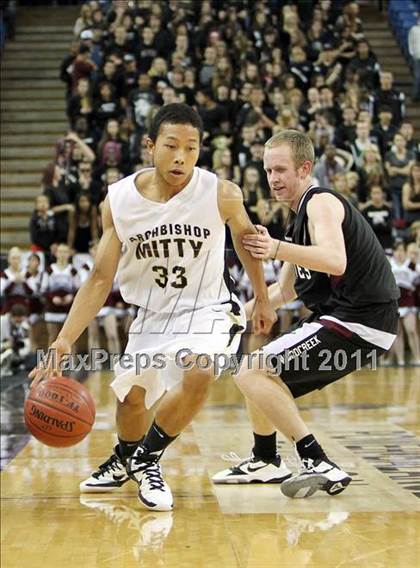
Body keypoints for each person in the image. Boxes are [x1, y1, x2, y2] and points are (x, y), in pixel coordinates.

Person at [29, 104, 276, 511]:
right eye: (171, 146)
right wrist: (63, 341)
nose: (181, 157)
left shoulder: (221, 193)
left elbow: (249, 245)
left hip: (209, 307)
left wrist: (262, 297)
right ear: (150, 146)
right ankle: (126, 456)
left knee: (199, 371)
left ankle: (146, 458)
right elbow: (99, 279)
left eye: (192, 149)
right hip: (152, 315)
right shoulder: (120, 201)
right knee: (131, 402)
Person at [213, 129, 399, 498]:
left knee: (252, 371)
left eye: (280, 170)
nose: (273, 179)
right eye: (268, 171)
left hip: (359, 318)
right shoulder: (296, 220)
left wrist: (274, 247)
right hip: (349, 319)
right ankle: (265, 459)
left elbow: (335, 259)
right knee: (259, 372)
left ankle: (317, 460)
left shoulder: (320, 203)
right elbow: (283, 292)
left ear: (304, 168)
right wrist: (229, 319)